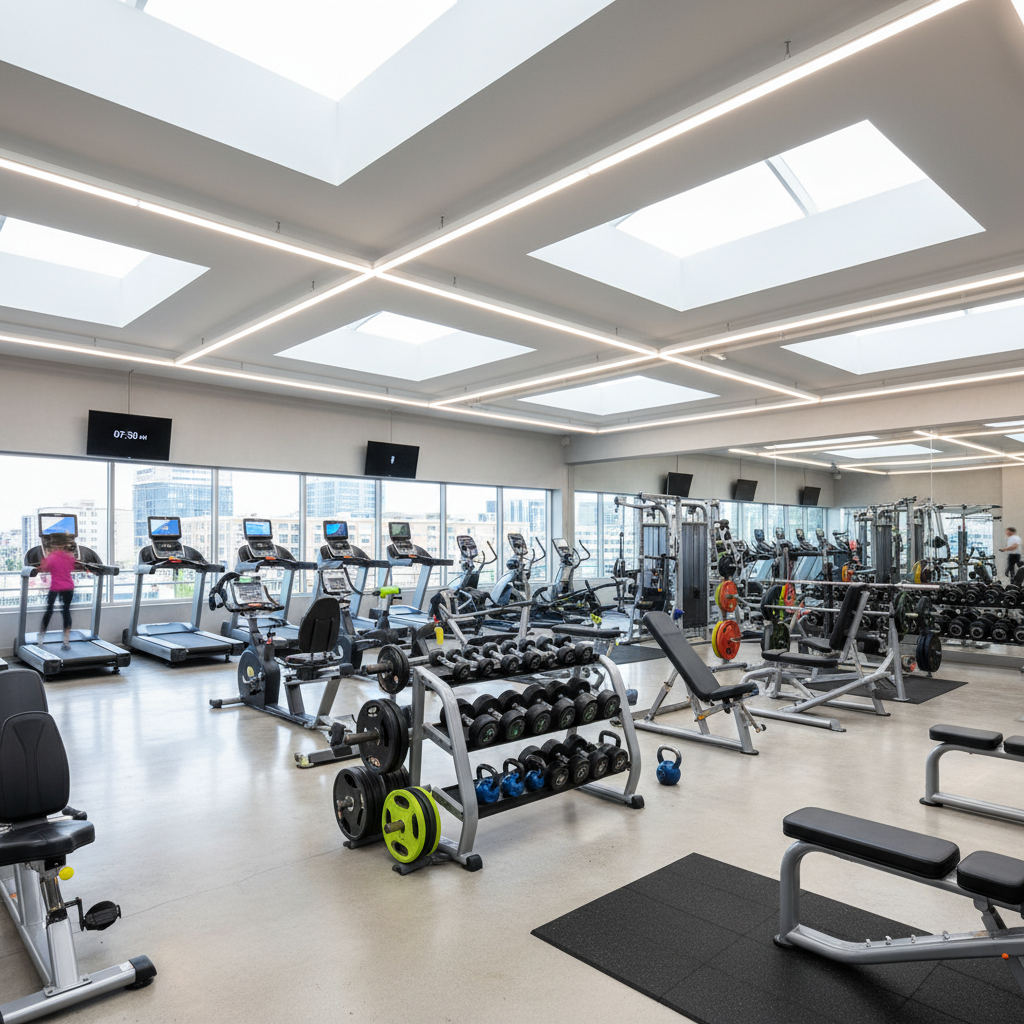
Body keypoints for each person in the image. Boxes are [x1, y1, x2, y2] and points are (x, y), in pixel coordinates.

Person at [37, 535, 77, 650]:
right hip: (69, 587)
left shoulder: (51, 557)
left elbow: (43, 568)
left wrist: (42, 561)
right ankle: (66, 642)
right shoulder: (69, 557)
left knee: (49, 611)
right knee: (66, 611)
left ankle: (40, 639)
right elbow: (73, 566)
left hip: (55, 587)